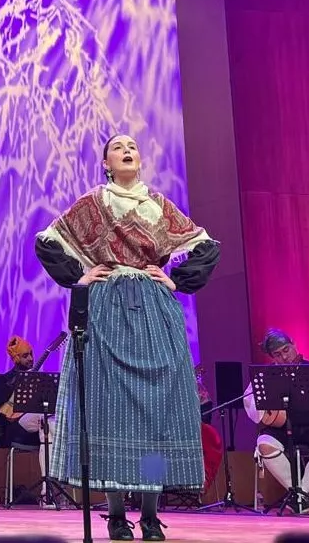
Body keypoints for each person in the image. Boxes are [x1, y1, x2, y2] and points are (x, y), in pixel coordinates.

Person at [35, 134, 220, 542]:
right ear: (106, 161)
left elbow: (204, 246)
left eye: (133, 145)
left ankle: (151, 514)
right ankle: (116, 514)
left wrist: (176, 280)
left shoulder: (156, 204)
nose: (127, 150)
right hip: (107, 309)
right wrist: (78, 277)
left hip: (154, 310)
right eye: (118, 147)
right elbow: (47, 241)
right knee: (109, 410)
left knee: (156, 415)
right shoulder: (94, 203)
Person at [243, 329, 309, 511]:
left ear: (293, 345)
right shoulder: (264, 376)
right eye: (277, 355)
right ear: (272, 357)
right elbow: (250, 399)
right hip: (282, 427)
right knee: (264, 444)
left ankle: (298, 496)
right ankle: (301, 497)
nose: (284, 357)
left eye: (286, 350)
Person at [0, 336, 53, 503]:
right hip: (15, 429)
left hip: (37, 430)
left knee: (48, 421)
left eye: (31, 354)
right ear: (15, 358)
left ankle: (48, 487)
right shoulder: (1, 380)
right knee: (48, 423)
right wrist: (22, 381)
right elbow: (1, 402)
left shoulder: (40, 380)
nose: (31, 358)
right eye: (25, 356)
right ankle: (50, 487)